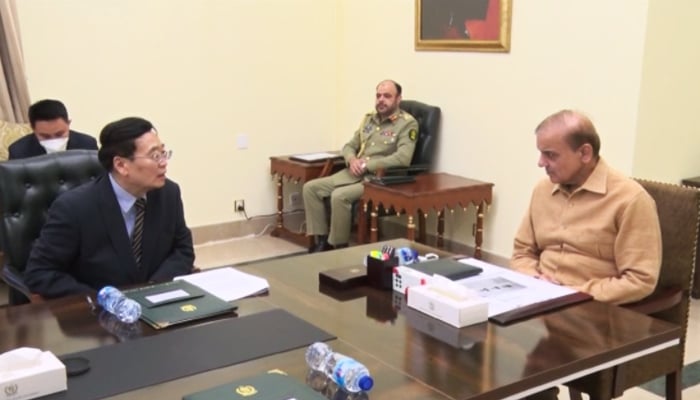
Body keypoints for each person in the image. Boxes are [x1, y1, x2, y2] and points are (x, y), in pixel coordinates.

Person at [24, 117, 195, 298]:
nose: (163, 162)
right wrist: (104, 299)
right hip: (97, 313)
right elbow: (39, 273)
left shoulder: (168, 193)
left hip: (157, 302)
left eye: (163, 152)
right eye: (154, 156)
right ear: (121, 165)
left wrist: (153, 287)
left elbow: (182, 250)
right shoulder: (74, 208)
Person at [512, 110, 662, 305]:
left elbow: (640, 280)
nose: (541, 163)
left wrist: (573, 294)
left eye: (550, 155)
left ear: (584, 153)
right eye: (541, 153)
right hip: (538, 298)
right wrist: (534, 279)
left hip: (592, 308)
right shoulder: (543, 190)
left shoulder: (630, 200)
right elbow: (522, 253)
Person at [303, 80, 418, 252]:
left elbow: (403, 159)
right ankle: (322, 241)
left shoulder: (407, 123)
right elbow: (349, 146)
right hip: (353, 172)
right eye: (378, 95)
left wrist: (368, 164)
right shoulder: (369, 119)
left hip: (379, 180)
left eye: (387, 96)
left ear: (398, 99)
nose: (381, 100)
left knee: (339, 196)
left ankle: (338, 246)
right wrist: (352, 160)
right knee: (310, 188)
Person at [8, 99, 98, 159]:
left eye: (59, 134)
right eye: (45, 136)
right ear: (33, 128)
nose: (53, 140)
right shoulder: (18, 151)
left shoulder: (87, 144)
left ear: (68, 123)